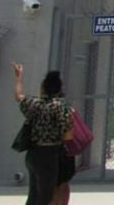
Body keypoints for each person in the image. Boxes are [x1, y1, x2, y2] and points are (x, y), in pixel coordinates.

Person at [12, 64, 73, 205]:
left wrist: (19, 77)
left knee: (33, 195)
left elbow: (19, 96)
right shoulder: (62, 107)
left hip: (32, 155)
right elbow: (68, 136)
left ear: (44, 88)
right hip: (49, 155)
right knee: (46, 195)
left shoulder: (34, 103)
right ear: (59, 89)